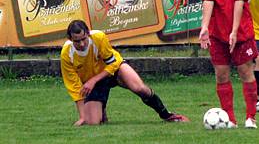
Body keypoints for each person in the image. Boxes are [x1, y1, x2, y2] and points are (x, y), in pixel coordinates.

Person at [60, 20, 189, 126]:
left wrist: (92, 81)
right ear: (70, 39)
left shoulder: (98, 37)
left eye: (84, 39)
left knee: (139, 88)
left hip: (114, 69)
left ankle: (167, 115)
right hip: (95, 82)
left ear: (88, 33)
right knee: (92, 123)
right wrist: (82, 117)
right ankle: (101, 111)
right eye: (77, 41)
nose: (81, 44)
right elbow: (74, 87)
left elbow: (112, 63)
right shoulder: (67, 53)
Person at [199, 0, 258, 129]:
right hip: (217, 32)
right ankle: (230, 120)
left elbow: (239, 0)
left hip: (240, 30)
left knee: (245, 71)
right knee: (221, 74)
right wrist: (204, 27)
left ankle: (251, 117)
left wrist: (234, 31)